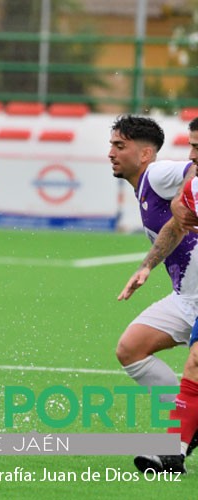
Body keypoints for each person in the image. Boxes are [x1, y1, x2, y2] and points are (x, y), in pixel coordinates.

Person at [114, 115, 198, 473]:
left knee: (195, 365)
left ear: (145, 153)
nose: (111, 154)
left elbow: (189, 172)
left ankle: (176, 445)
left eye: (120, 146)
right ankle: (187, 421)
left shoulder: (157, 174)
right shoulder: (144, 189)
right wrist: (146, 266)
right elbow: (175, 227)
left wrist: (185, 194)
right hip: (186, 298)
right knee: (130, 349)